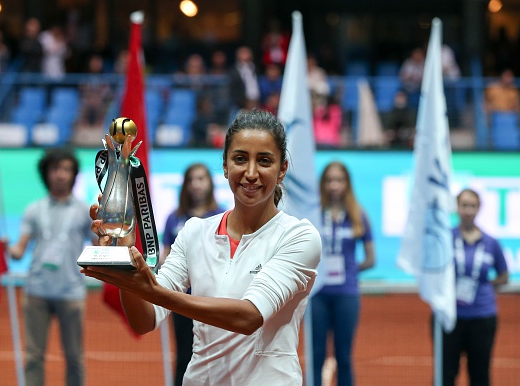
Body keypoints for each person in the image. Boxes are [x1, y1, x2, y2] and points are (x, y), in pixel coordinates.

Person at [83, 109, 322, 386]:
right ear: (225, 166)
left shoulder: (299, 237)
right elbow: (145, 319)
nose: (251, 172)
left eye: (265, 161)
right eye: (240, 159)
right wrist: (125, 258)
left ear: (282, 170)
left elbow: (249, 317)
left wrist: (153, 291)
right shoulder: (195, 232)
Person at [7, 148, 96, 386]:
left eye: (66, 169)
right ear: (46, 173)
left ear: (74, 175)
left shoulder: (84, 211)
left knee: (75, 357)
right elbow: (19, 252)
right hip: (36, 292)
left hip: (71, 293)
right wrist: (6, 247)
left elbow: (100, 248)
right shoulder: (33, 210)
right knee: (34, 357)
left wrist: (110, 231)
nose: (60, 175)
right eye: (55, 168)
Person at [309, 161, 375, 386]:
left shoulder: (358, 215)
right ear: (322, 184)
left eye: (339, 180)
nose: (334, 185)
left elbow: (370, 259)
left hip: (346, 294)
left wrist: (350, 270)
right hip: (317, 293)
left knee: (344, 356)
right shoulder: (314, 214)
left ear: (347, 184)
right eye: (329, 180)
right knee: (315, 355)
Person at [161, 163, 225, 386]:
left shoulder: (223, 216)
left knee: (217, 355)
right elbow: (166, 254)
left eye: (201, 179)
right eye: (191, 180)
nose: (196, 184)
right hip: (182, 299)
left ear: (210, 183)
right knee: (184, 354)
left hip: (214, 298)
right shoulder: (174, 218)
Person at [440, 188, 508, 386]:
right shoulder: (445, 239)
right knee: (446, 372)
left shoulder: (491, 242)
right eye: (464, 205)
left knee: (480, 373)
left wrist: (484, 286)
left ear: (479, 208)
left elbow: (503, 276)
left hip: (482, 317)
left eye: (472, 205)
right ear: (457, 208)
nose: (468, 210)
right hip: (450, 316)